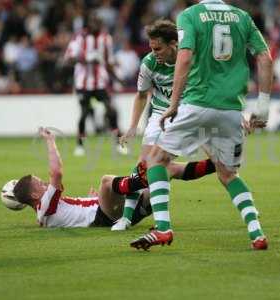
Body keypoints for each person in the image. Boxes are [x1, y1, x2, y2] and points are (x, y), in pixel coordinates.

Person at [130, 0, 273, 251]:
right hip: (231, 109)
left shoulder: (190, 15)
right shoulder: (243, 17)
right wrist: (262, 105)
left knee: (155, 159)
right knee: (228, 174)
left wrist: (173, 104)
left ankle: (163, 229)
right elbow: (265, 57)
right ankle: (257, 233)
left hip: (197, 104)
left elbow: (184, 58)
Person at [111, 19, 216, 231]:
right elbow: (141, 96)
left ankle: (248, 212)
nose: (154, 52)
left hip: (189, 115)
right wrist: (133, 126)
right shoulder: (149, 63)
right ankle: (128, 218)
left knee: (222, 164)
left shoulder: (192, 59)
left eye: (158, 48)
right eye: (151, 47)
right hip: (160, 115)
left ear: (174, 44)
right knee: (145, 165)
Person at [11, 128, 151, 228]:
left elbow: (72, 213)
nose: (45, 183)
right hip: (104, 216)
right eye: (40, 184)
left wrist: (91, 199)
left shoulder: (44, 213)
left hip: (105, 212)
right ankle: (138, 182)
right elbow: (56, 172)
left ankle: (142, 201)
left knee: (161, 170)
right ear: (34, 194)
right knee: (106, 181)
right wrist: (50, 141)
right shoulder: (44, 206)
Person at [64, 13, 125, 157]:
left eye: (99, 24)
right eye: (94, 23)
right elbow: (68, 60)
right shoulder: (78, 38)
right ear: (89, 24)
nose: (96, 27)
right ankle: (80, 145)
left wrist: (118, 78)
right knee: (84, 112)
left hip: (100, 82)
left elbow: (109, 62)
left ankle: (119, 144)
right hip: (82, 83)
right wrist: (85, 59)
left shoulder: (106, 39)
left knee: (111, 110)